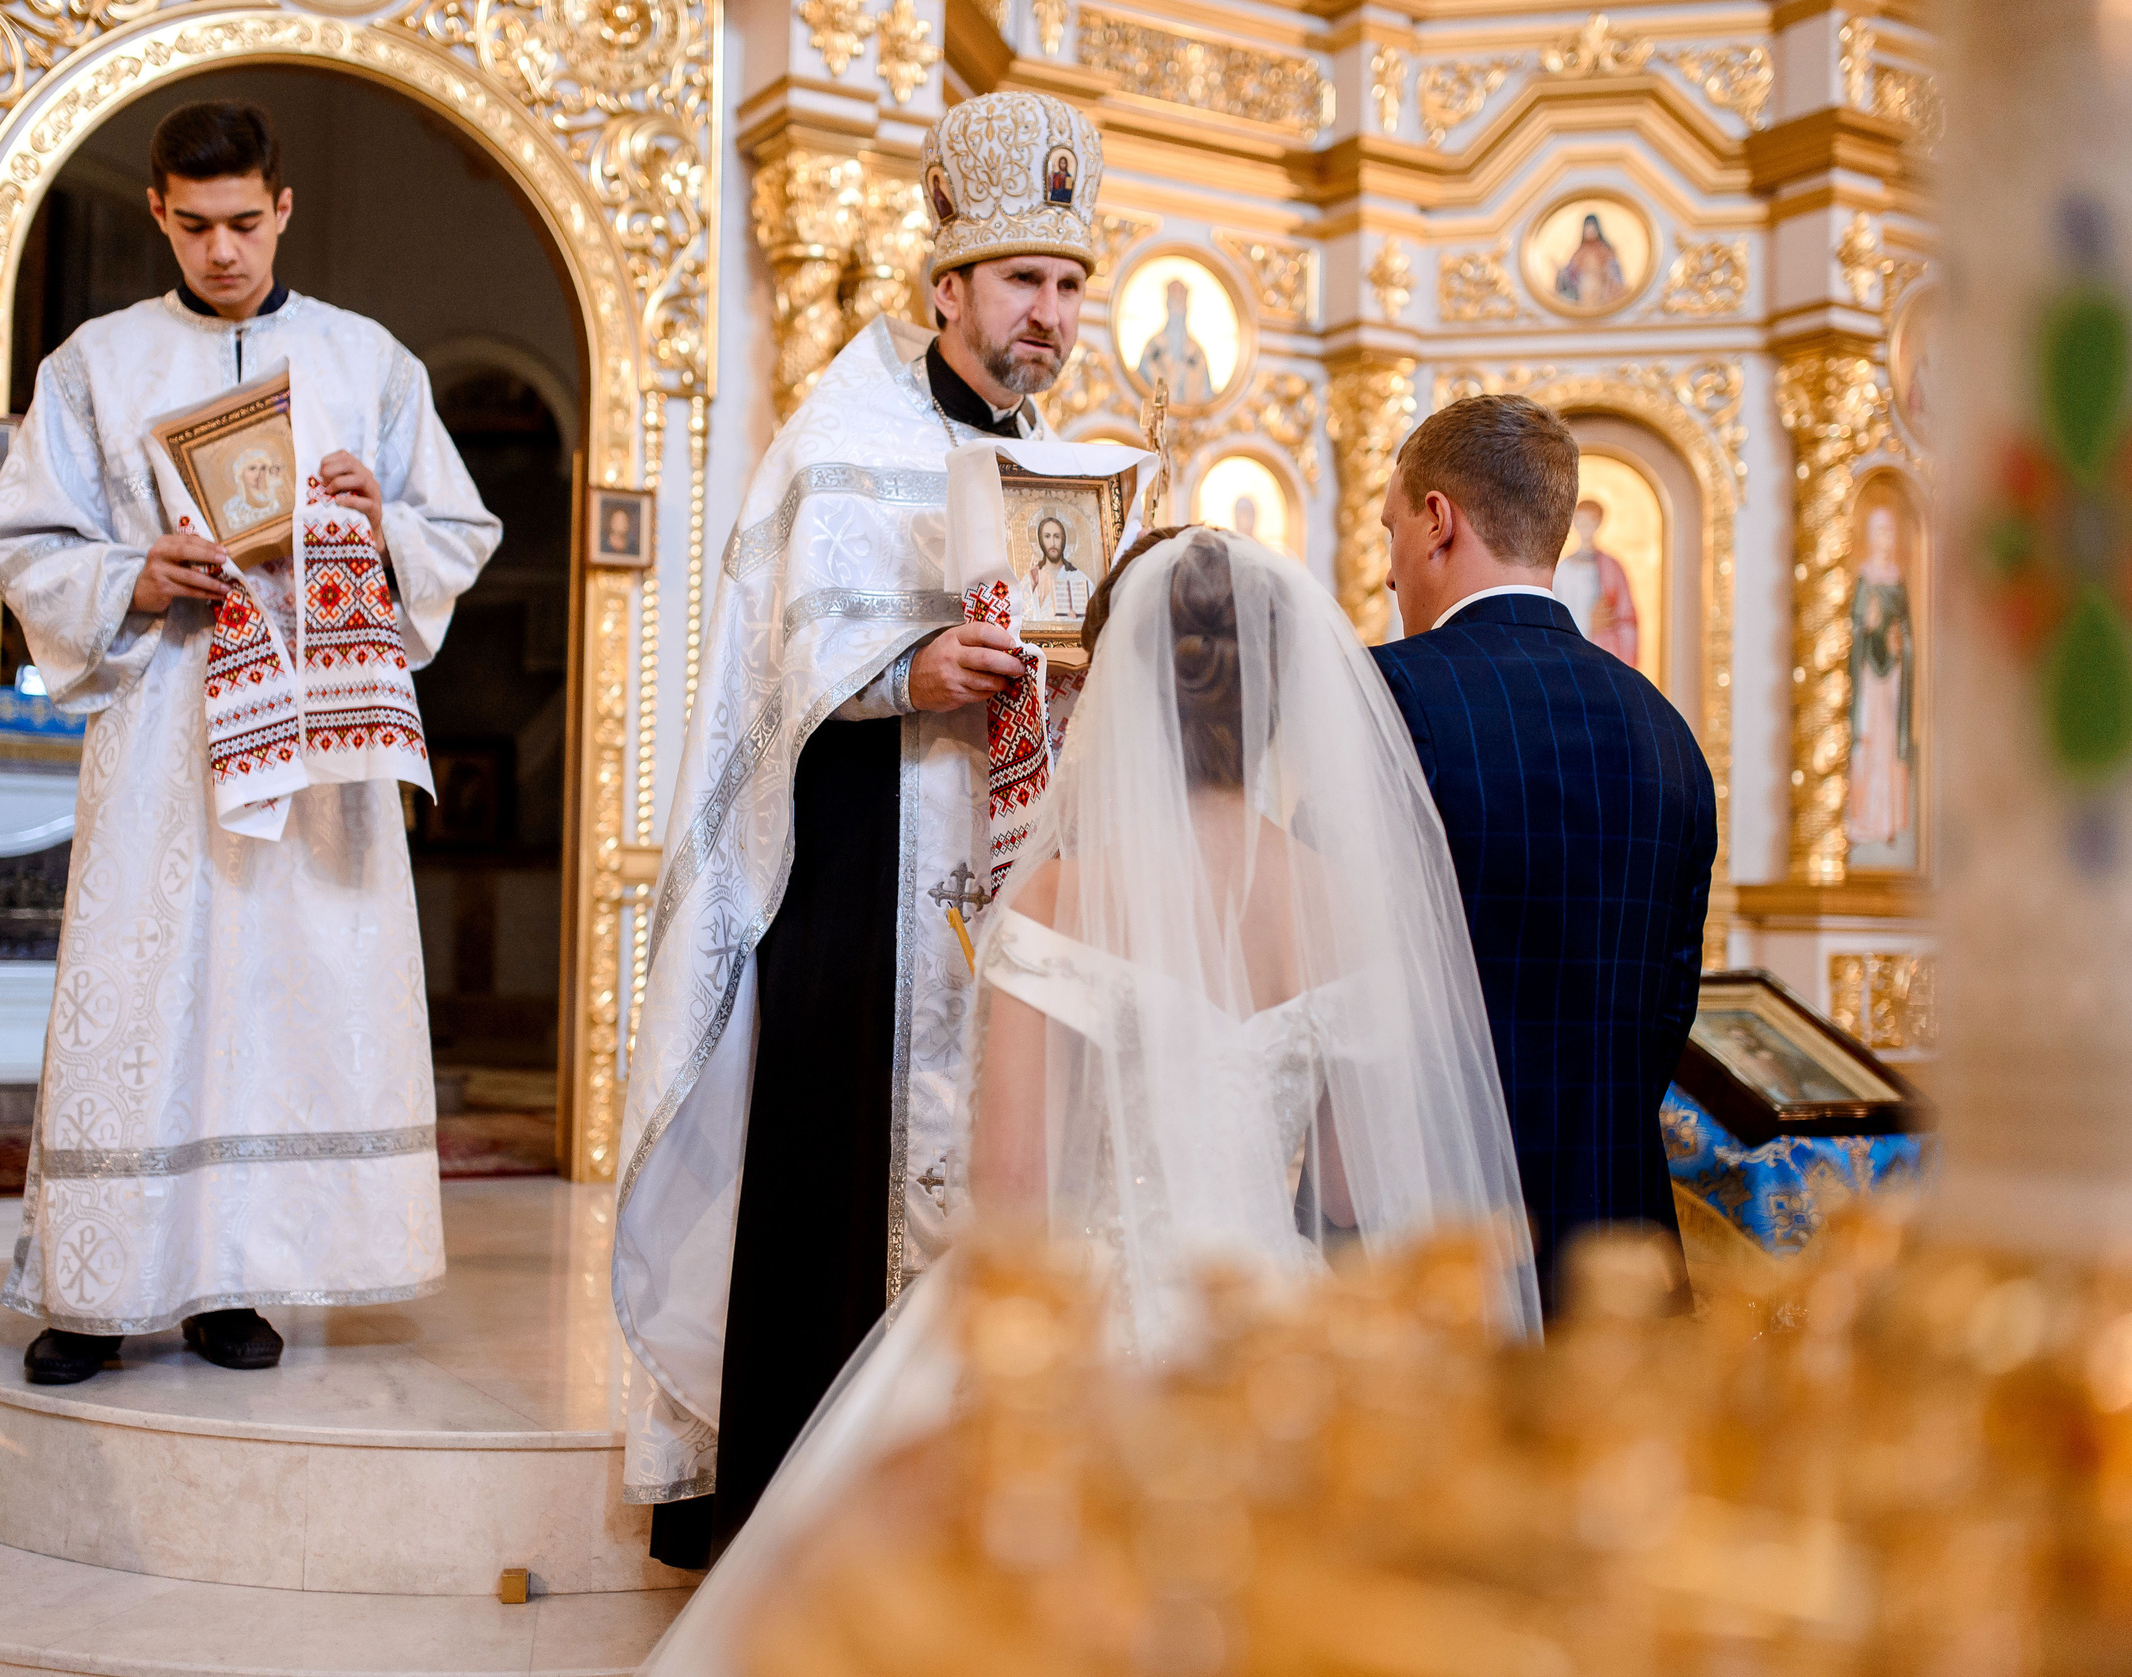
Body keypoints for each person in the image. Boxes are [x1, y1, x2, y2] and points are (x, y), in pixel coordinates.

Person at [637, 528, 1538, 1674]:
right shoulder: (1337, 902)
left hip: (1092, 1324)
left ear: (1118, 692)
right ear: (1276, 699)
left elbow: (1011, 1193)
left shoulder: (1063, 895)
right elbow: (1356, 1182)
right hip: (1271, 1326)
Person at [617, 89, 1103, 1568]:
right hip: (859, 881)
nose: (1051, 314)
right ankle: (809, 1528)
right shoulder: (840, 438)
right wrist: (908, 674)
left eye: (1072, 283)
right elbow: (769, 686)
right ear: (946, 284)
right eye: (1025, 279)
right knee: (839, 1185)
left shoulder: (1073, 462)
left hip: (1015, 882)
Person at [0, 100, 500, 1385]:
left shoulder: (364, 361)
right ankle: (96, 1290)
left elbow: (458, 529)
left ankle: (236, 1279)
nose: (223, 250)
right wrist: (136, 576)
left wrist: (378, 526)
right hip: (164, 727)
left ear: (283, 210)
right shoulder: (95, 364)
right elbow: (19, 542)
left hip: (316, 738)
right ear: (159, 210)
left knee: (281, 997)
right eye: (197, 225)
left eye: (246, 223)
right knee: (149, 992)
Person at [1372, 394, 1716, 1312]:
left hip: (1438, 1250)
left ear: (1437, 522)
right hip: (1622, 1252)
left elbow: (1346, 986)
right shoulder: (1665, 729)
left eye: (1391, 531)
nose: (1390, 573)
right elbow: (1664, 1015)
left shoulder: (1382, 697)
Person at [1846, 504, 1913, 848]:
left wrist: (1900, 645)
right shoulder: (1865, 577)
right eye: (1879, 532)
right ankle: (1863, 820)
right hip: (1869, 678)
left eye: (1890, 532)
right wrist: (1866, 628)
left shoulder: (1897, 581)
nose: (1885, 539)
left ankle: (1886, 820)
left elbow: (1906, 632)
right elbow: (1855, 628)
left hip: (1892, 677)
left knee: (1886, 747)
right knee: (1868, 743)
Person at [1553, 495, 1641, 666]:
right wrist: (1587, 624)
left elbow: (1626, 617)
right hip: (1569, 656)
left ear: (1599, 524)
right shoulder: (1563, 569)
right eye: (1581, 522)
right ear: (1574, 523)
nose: (1586, 528)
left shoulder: (1612, 567)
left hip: (1602, 655)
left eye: (1591, 522)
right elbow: (1554, 616)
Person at [1135, 278, 1216, 404]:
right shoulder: (1153, 347)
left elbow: (1206, 396)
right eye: (1174, 299)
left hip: (1189, 420)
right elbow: (1138, 386)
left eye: (1180, 300)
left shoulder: (1195, 352)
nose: (1177, 305)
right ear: (1167, 304)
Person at [1020, 514, 1090, 621]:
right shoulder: (1030, 579)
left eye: (1057, 536)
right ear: (1040, 540)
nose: (1053, 543)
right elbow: (1020, 618)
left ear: (1063, 540)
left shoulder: (1078, 578)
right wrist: (1033, 588)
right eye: (1047, 536)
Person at [1555, 212, 1627, 308]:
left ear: (1597, 228)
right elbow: (1570, 274)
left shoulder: (1605, 251)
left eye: (1592, 227)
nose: (1589, 230)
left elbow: (1615, 274)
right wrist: (1561, 272)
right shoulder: (1579, 253)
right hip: (1583, 292)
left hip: (1602, 291)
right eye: (1587, 227)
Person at [220, 443, 285, 530]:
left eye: (262, 468)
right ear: (241, 474)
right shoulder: (232, 506)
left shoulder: (277, 496)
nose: (258, 473)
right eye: (252, 468)